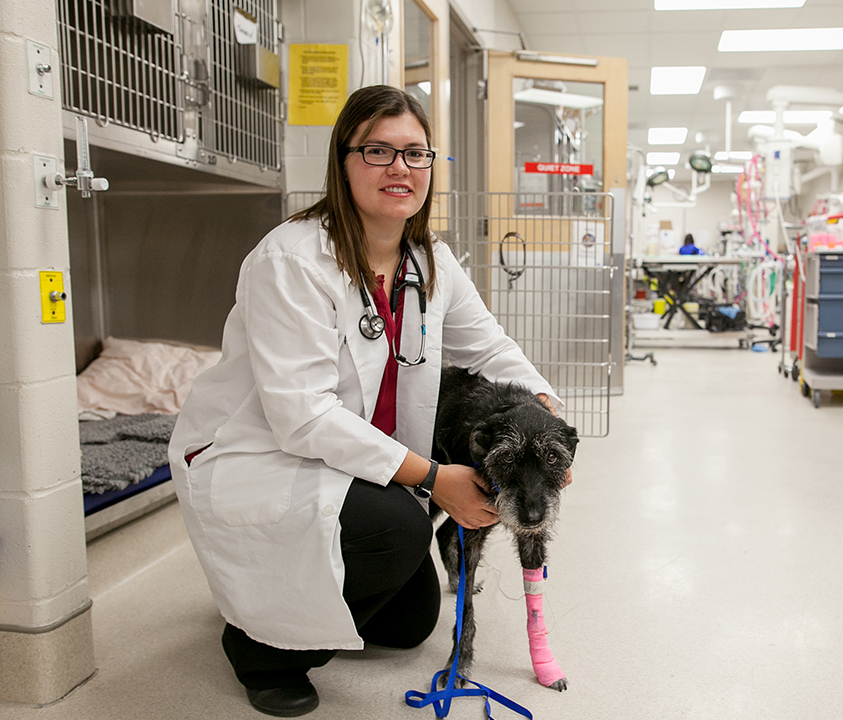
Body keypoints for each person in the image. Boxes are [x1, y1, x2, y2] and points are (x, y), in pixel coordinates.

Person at [168, 85, 565, 718]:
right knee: (398, 529)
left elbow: (491, 348)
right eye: (377, 151)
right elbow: (302, 416)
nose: (400, 168)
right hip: (261, 454)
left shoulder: (429, 260)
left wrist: (548, 421)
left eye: (415, 153)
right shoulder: (292, 261)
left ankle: (309, 597)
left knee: (406, 626)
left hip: (351, 457)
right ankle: (259, 647)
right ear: (343, 161)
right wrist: (435, 479)